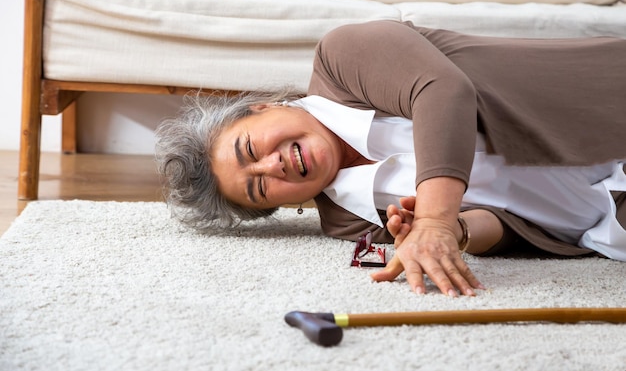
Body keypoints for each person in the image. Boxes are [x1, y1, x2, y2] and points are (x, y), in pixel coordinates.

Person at [155, 20, 626, 297]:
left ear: (262, 107)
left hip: (608, 107)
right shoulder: (347, 225)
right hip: (608, 222)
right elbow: (501, 228)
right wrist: (455, 234)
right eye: (259, 188)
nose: (270, 166)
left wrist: (436, 220)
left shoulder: (343, 58)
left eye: (250, 149)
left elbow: (443, 91)